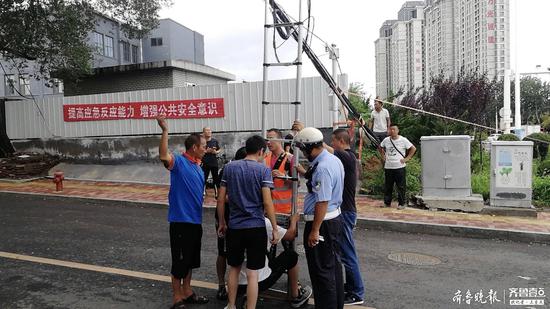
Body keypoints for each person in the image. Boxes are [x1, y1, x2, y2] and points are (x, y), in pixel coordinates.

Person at [217, 135, 279, 309]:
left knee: (234, 269)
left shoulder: (229, 168)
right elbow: (267, 202)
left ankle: (231, 305)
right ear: (261, 151)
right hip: (256, 227)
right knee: (253, 274)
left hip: (235, 226)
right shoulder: (263, 170)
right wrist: (274, 228)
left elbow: (221, 199)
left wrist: (222, 222)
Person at [156, 117, 209, 309]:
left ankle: (187, 292)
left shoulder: (199, 167)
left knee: (190, 260)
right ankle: (177, 298)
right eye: (203, 145)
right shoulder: (178, 163)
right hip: (180, 221)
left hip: (195, 221)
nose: (206, 148)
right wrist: (164, 131)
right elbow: (163, 156)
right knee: (179, 262)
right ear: (194, 147)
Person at [294, 127, 345, 309]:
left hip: (322, 223)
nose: (302, 153)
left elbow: (322, 201)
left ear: (310, 147)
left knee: (321, 272)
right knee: (333, 268)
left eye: (303, 149)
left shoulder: (322, 168)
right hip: (332, 221)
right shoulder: (332, 159)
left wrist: (314, 231)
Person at [234, 214, 313, 308]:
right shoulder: (264, 222)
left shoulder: (234, 220)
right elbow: (290, 235)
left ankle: (233, 299)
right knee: (291, 255)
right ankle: (296, 296)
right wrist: (293, 221)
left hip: (236, 281)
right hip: (257, 280)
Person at [324, 129, 365, 305]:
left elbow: (327, 150)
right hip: (347, 211)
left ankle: (357, 292)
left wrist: (308, 135)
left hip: (346, 212)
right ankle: (351, 288)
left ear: (341, 141)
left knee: (348, 254)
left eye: (333, 141)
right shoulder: (347, 158)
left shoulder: (347, 157)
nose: (332, 144)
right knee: (344, 252)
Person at [215, 147, 248, 301]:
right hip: (226, 216)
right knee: (223, 252)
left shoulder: (245, 169)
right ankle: (222, 285)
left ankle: (241, 286)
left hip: (241, 218)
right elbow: (221, 197)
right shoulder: (227, 170)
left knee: (240, 254)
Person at [378, 123, 417, 209]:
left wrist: (407, 158)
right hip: (388, 167)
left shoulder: (403, 140)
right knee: (388, 186)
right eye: (391, 129)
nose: (392, 131)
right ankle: (387, 203)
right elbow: (380, 147)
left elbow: (413, 148)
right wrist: (383, 156)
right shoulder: (386, 140)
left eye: (394, 129)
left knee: (401, 186)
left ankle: (401, 204)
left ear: (398, 131)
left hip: (399, 167)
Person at [265, 128, 294, 214]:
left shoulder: (290, 159)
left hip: (285, 209)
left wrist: (284, 177)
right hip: (268, 209)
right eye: (267, 139)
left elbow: (297, 184)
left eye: (271, 139)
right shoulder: (264, 158)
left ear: (280, 140)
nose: (268, 142)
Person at [202, 127, 222, 198]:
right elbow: (199, 150)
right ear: (203, 132)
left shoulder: (214, 141)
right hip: (205, 162)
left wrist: (215, 152)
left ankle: (217, 192)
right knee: (204, 177)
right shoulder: (202, 141)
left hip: (214, 162)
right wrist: (206, 151)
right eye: (207, 130)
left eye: (210, 130)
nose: (209, 131)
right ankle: (203, 192)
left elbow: (219, 149)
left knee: (216, 178)